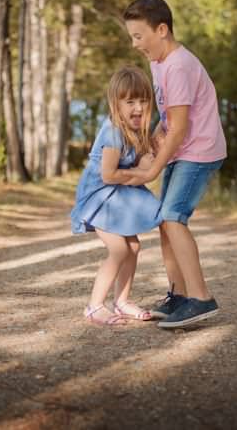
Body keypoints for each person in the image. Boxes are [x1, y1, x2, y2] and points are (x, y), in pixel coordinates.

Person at [122, 0, 227, 328]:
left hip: (199, 152)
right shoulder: (159, 63)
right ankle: (179, 295)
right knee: (163, 220)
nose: (135, 44)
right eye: (132, 37)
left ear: (162, 29)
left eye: (139, 36)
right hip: (184, 150)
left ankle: (201, 298)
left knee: (173, 216)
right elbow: (170, 118)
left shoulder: (179, 66)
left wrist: (153, 167)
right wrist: (150, 137)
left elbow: (180, 129)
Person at [70, 66, 162, 326]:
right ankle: (94, 306)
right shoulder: (112, 132)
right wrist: (139, 172)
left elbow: (146, 163)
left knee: (133, 246)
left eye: (143, 101)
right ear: (116, 104)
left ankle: (122, 301)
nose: (138, 107)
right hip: (100, 197)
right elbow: (109, 175)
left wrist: (150, 159)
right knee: (119, 248)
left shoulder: (138, 132)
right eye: (130, 101)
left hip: (117, 197)